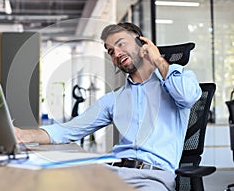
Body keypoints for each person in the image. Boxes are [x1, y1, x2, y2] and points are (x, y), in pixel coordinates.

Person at [14, 22, 202, 191]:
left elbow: (188, 96)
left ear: (142, 43)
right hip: (110, 171)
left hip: (152, 178)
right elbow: (68, 130)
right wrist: (23, 135)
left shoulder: (177, 81)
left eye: (121, 44)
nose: (117, 53)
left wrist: (158, 59)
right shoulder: (113, 99)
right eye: (111, 51)